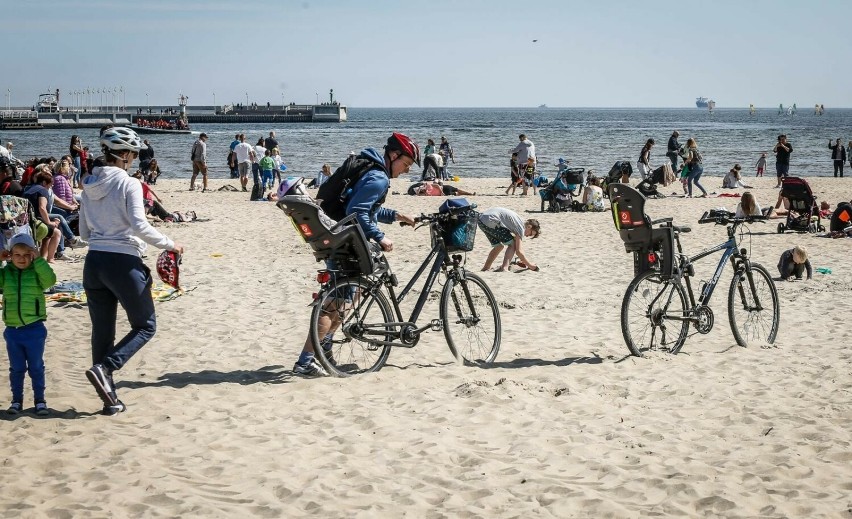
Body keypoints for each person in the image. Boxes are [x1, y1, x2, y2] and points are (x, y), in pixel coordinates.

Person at [293, 132, 419, 377]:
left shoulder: (370, 170)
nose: (405, 171)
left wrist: (398, 216)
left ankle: (325, 350)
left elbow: (369, 209)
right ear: (393, 155)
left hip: (337, 237)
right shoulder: (378, 177)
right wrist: (381, 237)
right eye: (405, 164)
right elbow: (357, 212)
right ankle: (305, 361)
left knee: (353, 295)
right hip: (345, 243)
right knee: (335, 305)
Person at [80, 127, 185, 415]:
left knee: (102, 331)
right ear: (124, 154)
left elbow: (83, 232)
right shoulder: (129, 183)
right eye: (133, 153)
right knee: (146, 325)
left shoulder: (88, 183)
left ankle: (109, 399)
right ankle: (106, 368)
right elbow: (139, 225)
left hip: (94, 262)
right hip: (122, 262)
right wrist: (170, 244)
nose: (135, 158)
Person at [1, 234, 56, 416]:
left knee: (36, 367)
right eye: (17, 254)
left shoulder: (37, 273)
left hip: (34, 329)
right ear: (10, 255)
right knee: (16, 368)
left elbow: (50, 280)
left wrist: (40, 260)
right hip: (12, 331)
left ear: (32, 254)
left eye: (27, 254)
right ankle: (17, 400)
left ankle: (40, 400)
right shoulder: (6, 273)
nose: (22, 259)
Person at [478, 208, 540, 272]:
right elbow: (519, 252)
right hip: (491, 220)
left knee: (498, 247)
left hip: (481, 221)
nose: (527, 236)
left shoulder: (519, 221)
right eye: (530, 234)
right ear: (529, 227)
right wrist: (530, 266)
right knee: (512, 244)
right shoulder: (521, 228)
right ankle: (504, 268)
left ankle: (485, 268)